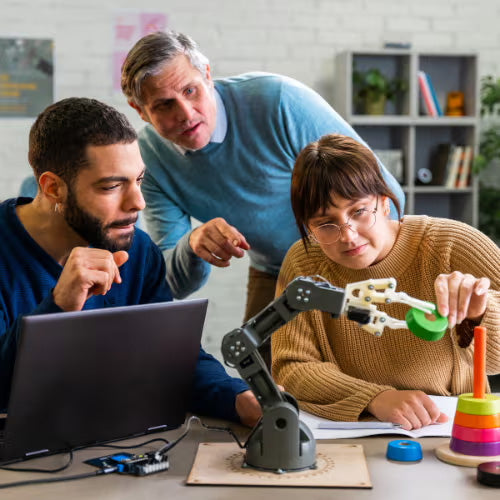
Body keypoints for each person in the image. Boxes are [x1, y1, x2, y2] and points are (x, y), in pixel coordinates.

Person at [120, 30, 405, 365]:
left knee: (363, 363)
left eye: (190, 91)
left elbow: (386, 192)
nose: (185, 113)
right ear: (140, 110)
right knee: (255, 363)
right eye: (165, 105)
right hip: (275, 269)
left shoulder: (278, 100)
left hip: (349, 256)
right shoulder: (148, 161)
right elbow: (170, 283)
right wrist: (193, 246)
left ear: (208, 75)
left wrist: (368, 273)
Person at [0, 97, 260, 427]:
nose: (137, 202)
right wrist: (58, 307)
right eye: (112, 186)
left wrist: (237, 398)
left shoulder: (136, 251)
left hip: (112, 446)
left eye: (138, 180)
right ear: (53, 188)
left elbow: (169, 355)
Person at [272, 134, 500, 431]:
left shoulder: (453, 244)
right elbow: (291, 367)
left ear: (384, 202)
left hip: (450, 428)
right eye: (325, 224)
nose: (348, 236)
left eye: (359, 212)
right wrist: (375, 398)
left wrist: (479, 316)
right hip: (358, 429)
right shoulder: (304, 263)